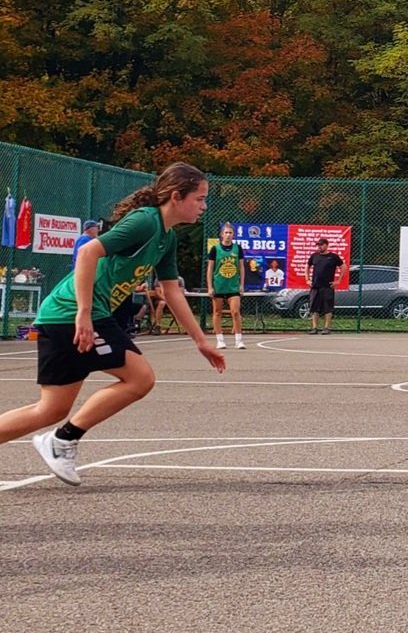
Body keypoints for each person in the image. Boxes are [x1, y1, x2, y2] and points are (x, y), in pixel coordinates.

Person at [0, 162, 225, 486]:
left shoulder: (166, 238)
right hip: (70, 314)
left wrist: (201, 341)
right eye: (199, 198)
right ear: (177, 196)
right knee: (139, 378)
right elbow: (90, 252)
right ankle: (62, 440)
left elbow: (171, 291)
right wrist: (84, 313)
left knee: (49, 410)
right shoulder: (145, 222)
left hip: (83, 316)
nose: (203, 206)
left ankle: (59, 439)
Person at [206, 222, 246, 350]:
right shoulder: (215, 249)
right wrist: (210, 287)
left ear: (233, 235)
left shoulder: (237, 248)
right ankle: (220, 339)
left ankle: (239, 339)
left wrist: (241, 284)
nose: (228, 235)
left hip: (233, 285)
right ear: (222, 235)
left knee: (235, 311)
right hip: (219, 285)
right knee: (217, 312)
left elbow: (241, 267)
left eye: (230, 233)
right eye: (226, 233)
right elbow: (210, 269)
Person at [306, 238, 345, 335]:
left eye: (321, 245)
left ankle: (326, 328)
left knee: (328, 307)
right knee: (314, 308)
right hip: (315, 286)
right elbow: (307, 266)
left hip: (327, 286)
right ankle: (314, 328)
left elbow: (343, 267)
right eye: (318, 245)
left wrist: (338, 280)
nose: (319, 247)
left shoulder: (333, 257)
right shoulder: (314, 256)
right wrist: (307, 279)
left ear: (326, 245)